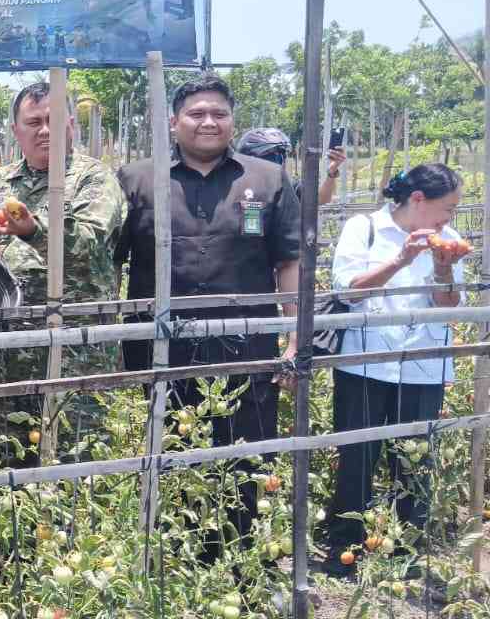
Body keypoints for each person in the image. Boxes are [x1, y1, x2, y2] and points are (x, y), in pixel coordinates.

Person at [115, 75, 301, 562]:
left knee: (248, 453)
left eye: (219, 112)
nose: (208, 122)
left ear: (232, 120)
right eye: (197, 113)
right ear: (173, 122)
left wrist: (293, 334)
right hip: (163, 348)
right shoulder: (137, 179)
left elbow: (288, 262)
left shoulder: (266, 179)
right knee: (169, 447)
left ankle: (242, 562)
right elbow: (105, 260)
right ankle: (174, 561)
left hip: (247, 347)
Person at [0, 83, 127, 463]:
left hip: (76, 352)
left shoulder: (94, 180)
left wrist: (35, 232)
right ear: (16, 131)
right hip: (7, 353)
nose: (44, 130)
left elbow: (89, 242)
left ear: (71, 125)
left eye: (53, 120)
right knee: (4, 461)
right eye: (33, 122)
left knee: (77, 463)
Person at [320, 164, 468, 579]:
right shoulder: (364, 228)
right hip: (364, 364)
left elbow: (447, 306)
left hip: (423, 366)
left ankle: (407, 551)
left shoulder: (451, 240)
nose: (449, 219)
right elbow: (348, 290)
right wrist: (404, 259)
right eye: (447, 208)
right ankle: (346, 546)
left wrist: (441, 267)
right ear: (418, 200)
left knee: (415, 462)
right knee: (357, 457)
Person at [235, 126, 347, 206]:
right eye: (270, 158)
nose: (278, 163)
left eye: (281, 157)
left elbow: (322, 198)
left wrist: (332, 171)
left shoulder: (288, 188)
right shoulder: (231, 189)